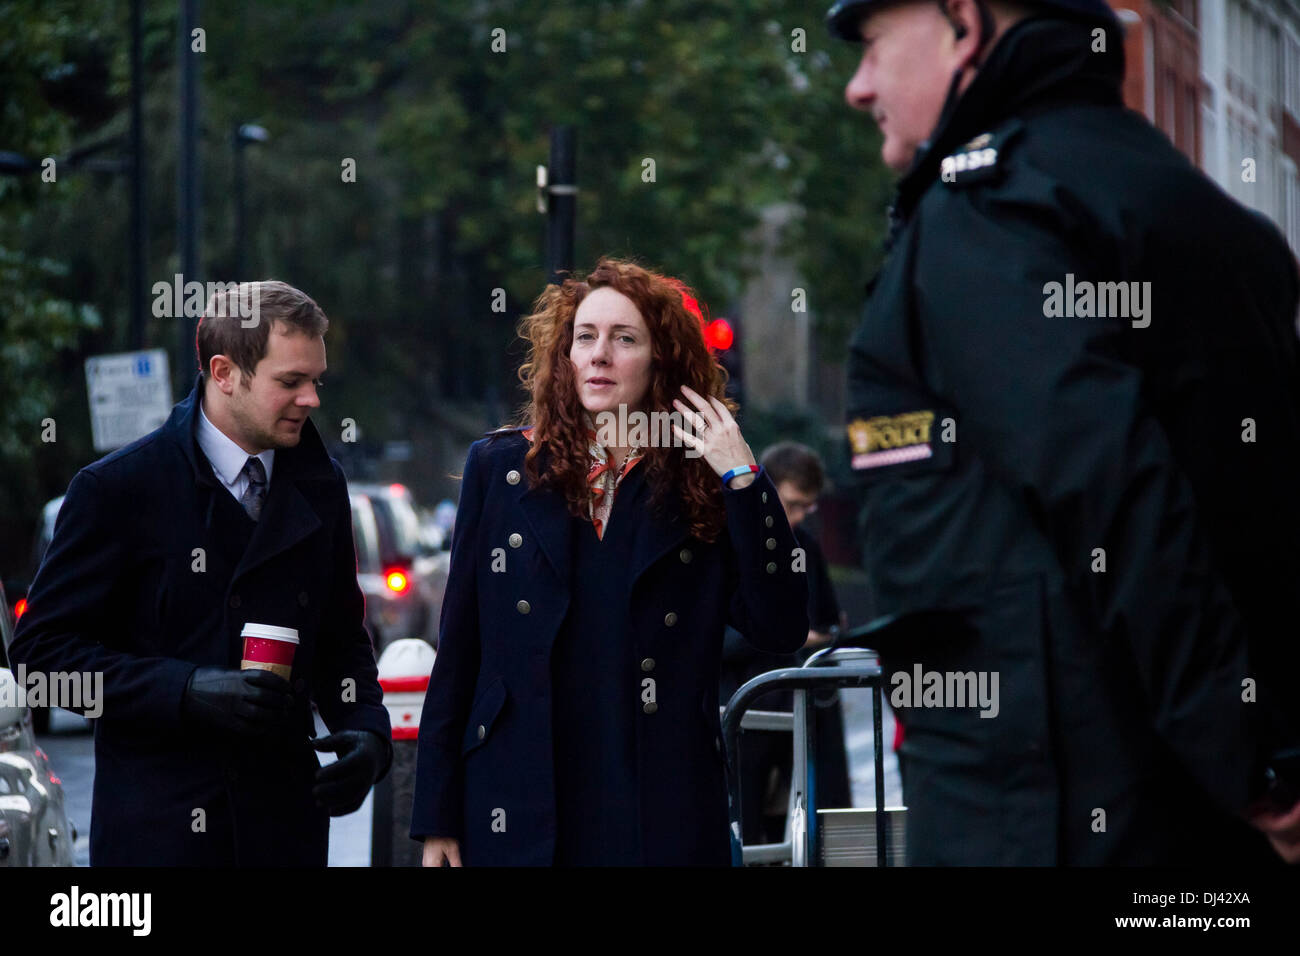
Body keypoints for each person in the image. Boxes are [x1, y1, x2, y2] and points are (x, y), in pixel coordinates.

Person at [828, 0, 1300, 864]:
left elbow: (1112, 488)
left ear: (962, 25)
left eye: (871, 46)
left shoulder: (988, 214)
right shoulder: (1194, 207)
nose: (859, 89)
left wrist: (1256, 771)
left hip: (1044, 812)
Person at [411, 258, 808, 866]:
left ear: (661, 361)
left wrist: (745, 479)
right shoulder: (500, 469)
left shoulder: (702, 482)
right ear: (565, 355)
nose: (599, 355)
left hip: (657, 800)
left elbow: (778, 625)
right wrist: (437, 816)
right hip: (519, 796)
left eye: (624, 339)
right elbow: (460, 648)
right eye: (586, 336)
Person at [11, 281, 392, 866]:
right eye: (290, 381)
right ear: (224, 372)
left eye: (316, 379)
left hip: (283, 834)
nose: (312, 398)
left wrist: (367, 729)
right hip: (158, 837)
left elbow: (342, 638)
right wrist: (183, 690)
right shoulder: (118, 489)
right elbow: (40, 663)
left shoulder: (322, 485)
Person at [720, 441, 853, 845]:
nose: (795, 517)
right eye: (791, 504)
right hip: (745, 709)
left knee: (805, 830)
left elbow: (830, 618)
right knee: (743, 827)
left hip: (799, 710)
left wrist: (822, 635)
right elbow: (716, 635)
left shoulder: (805, 545)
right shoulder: (730, 537)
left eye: (805, 508)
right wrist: (784, 635)